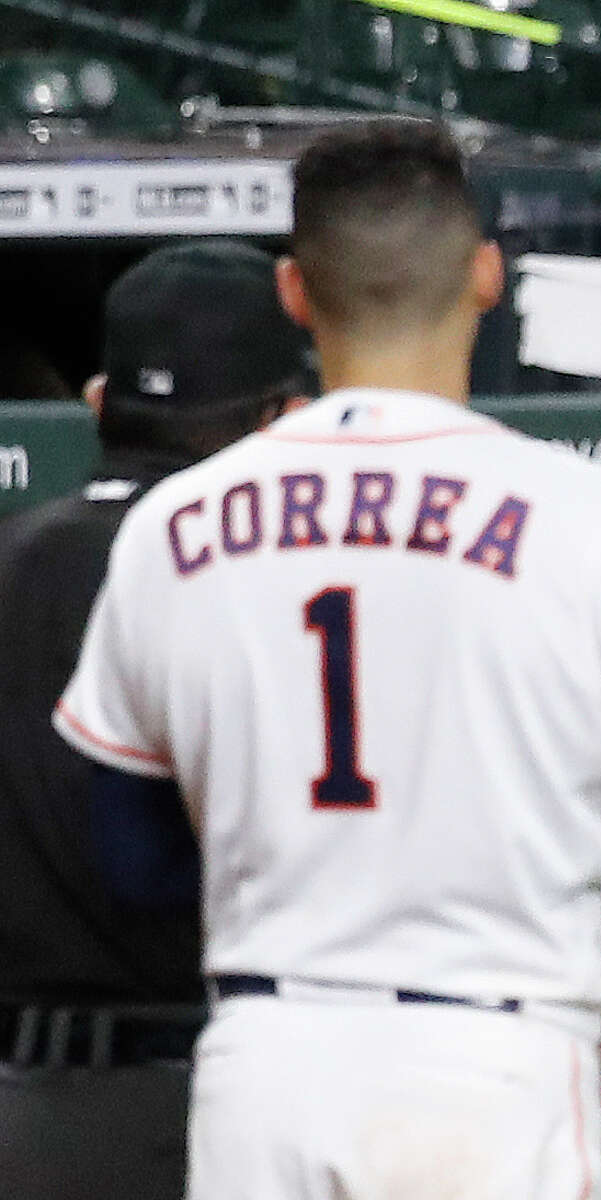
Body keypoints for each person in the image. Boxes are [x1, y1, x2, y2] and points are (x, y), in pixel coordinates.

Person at [54, 118, 601, 1200]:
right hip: (492, 1072)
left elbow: (126, 854)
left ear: (295, 292)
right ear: (486, 275)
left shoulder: (178, 525)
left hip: (264, 1068)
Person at [0, 238, 313, 1200]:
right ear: (286, 420)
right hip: (211, 1100)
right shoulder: (263, 587)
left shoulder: (9, 560)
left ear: (100, 402)